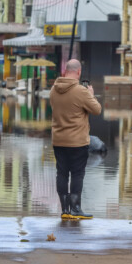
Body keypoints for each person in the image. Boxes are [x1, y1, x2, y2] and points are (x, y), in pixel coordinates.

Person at [50, 59, 101, 220]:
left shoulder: (54, 89)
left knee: (62, 173)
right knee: (77, 174)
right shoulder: (81, 91)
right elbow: (97, 110)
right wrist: (91, 95)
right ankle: (76, 209)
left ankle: (65, 210)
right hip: (77, 141)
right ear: (78, 72)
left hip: (58, 140)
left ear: (66, 70)